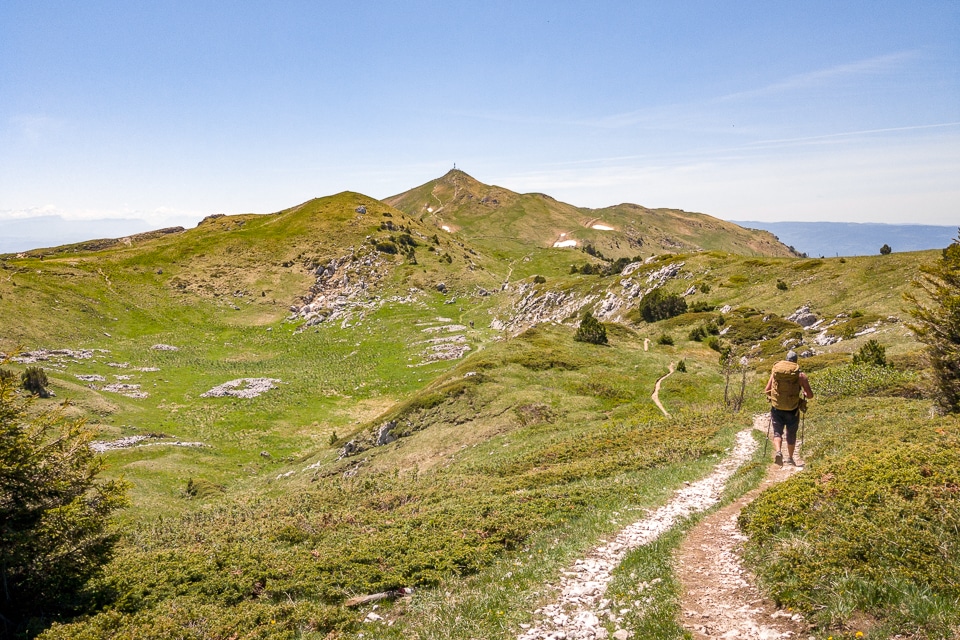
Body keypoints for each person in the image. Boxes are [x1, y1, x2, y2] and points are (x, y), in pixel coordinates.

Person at [764, 350, 813, 466]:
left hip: (777, 408)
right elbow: (810, 395)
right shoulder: (800, 375)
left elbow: (767, 390)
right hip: (793, 409)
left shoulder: (776, 373)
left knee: (777, 432)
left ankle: (778, 451)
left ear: (786, 360)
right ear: (796, 362)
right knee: (791, 433)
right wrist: (804, 395)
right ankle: (790, 458)